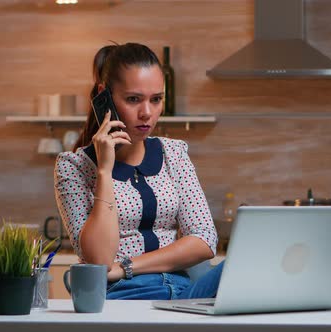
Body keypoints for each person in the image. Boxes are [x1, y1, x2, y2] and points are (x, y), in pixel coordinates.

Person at [54, 42, 224, 300]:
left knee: (251, 258)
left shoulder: (174, 154)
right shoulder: (74, 167)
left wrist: (126, 267)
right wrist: (104, 171)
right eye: (133, 99)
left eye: (156, 100)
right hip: (124, 295)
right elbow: (99, 261)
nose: (147, 113)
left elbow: (204, 240)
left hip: (184, 292)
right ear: (105, 96)